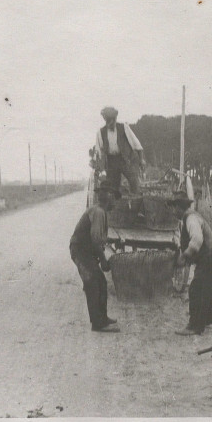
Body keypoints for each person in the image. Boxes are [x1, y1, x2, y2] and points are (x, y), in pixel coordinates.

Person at [168, 191, 212, 336]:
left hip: (209, 257)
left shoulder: (190, 219)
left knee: (196, 289)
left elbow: (197, 240)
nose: (173, 211)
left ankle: (195, 326)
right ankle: (206, 320)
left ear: (179, 207)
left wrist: (184, 257)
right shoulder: (190, 217)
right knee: (208, 287)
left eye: (173, 207)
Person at [69, 181, 120, 332]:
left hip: (86, 251)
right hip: (80, 251)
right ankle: (98, 324)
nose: (116, 202)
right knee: (92, 283)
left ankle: (102, 318)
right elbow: (97, 240)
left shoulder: (100, 211)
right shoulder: (98, 212)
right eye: (115, 198)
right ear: (109, 197)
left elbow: (98, 238)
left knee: (101, 283)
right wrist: (103, 261)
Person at [94, 106, 146, 196]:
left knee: (134, 181)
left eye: (114, 121)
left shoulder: (124, 127)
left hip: (125, 160)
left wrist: (141, 160)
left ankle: (137, 202)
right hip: (111, 162)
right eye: (109, 122)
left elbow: (137, 144)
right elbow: (99, 152)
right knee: (113, 188)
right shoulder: (100, 132)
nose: (112, 124)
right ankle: (116, 206)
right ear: (106, 121)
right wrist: (100, 170)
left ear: (115, 119)